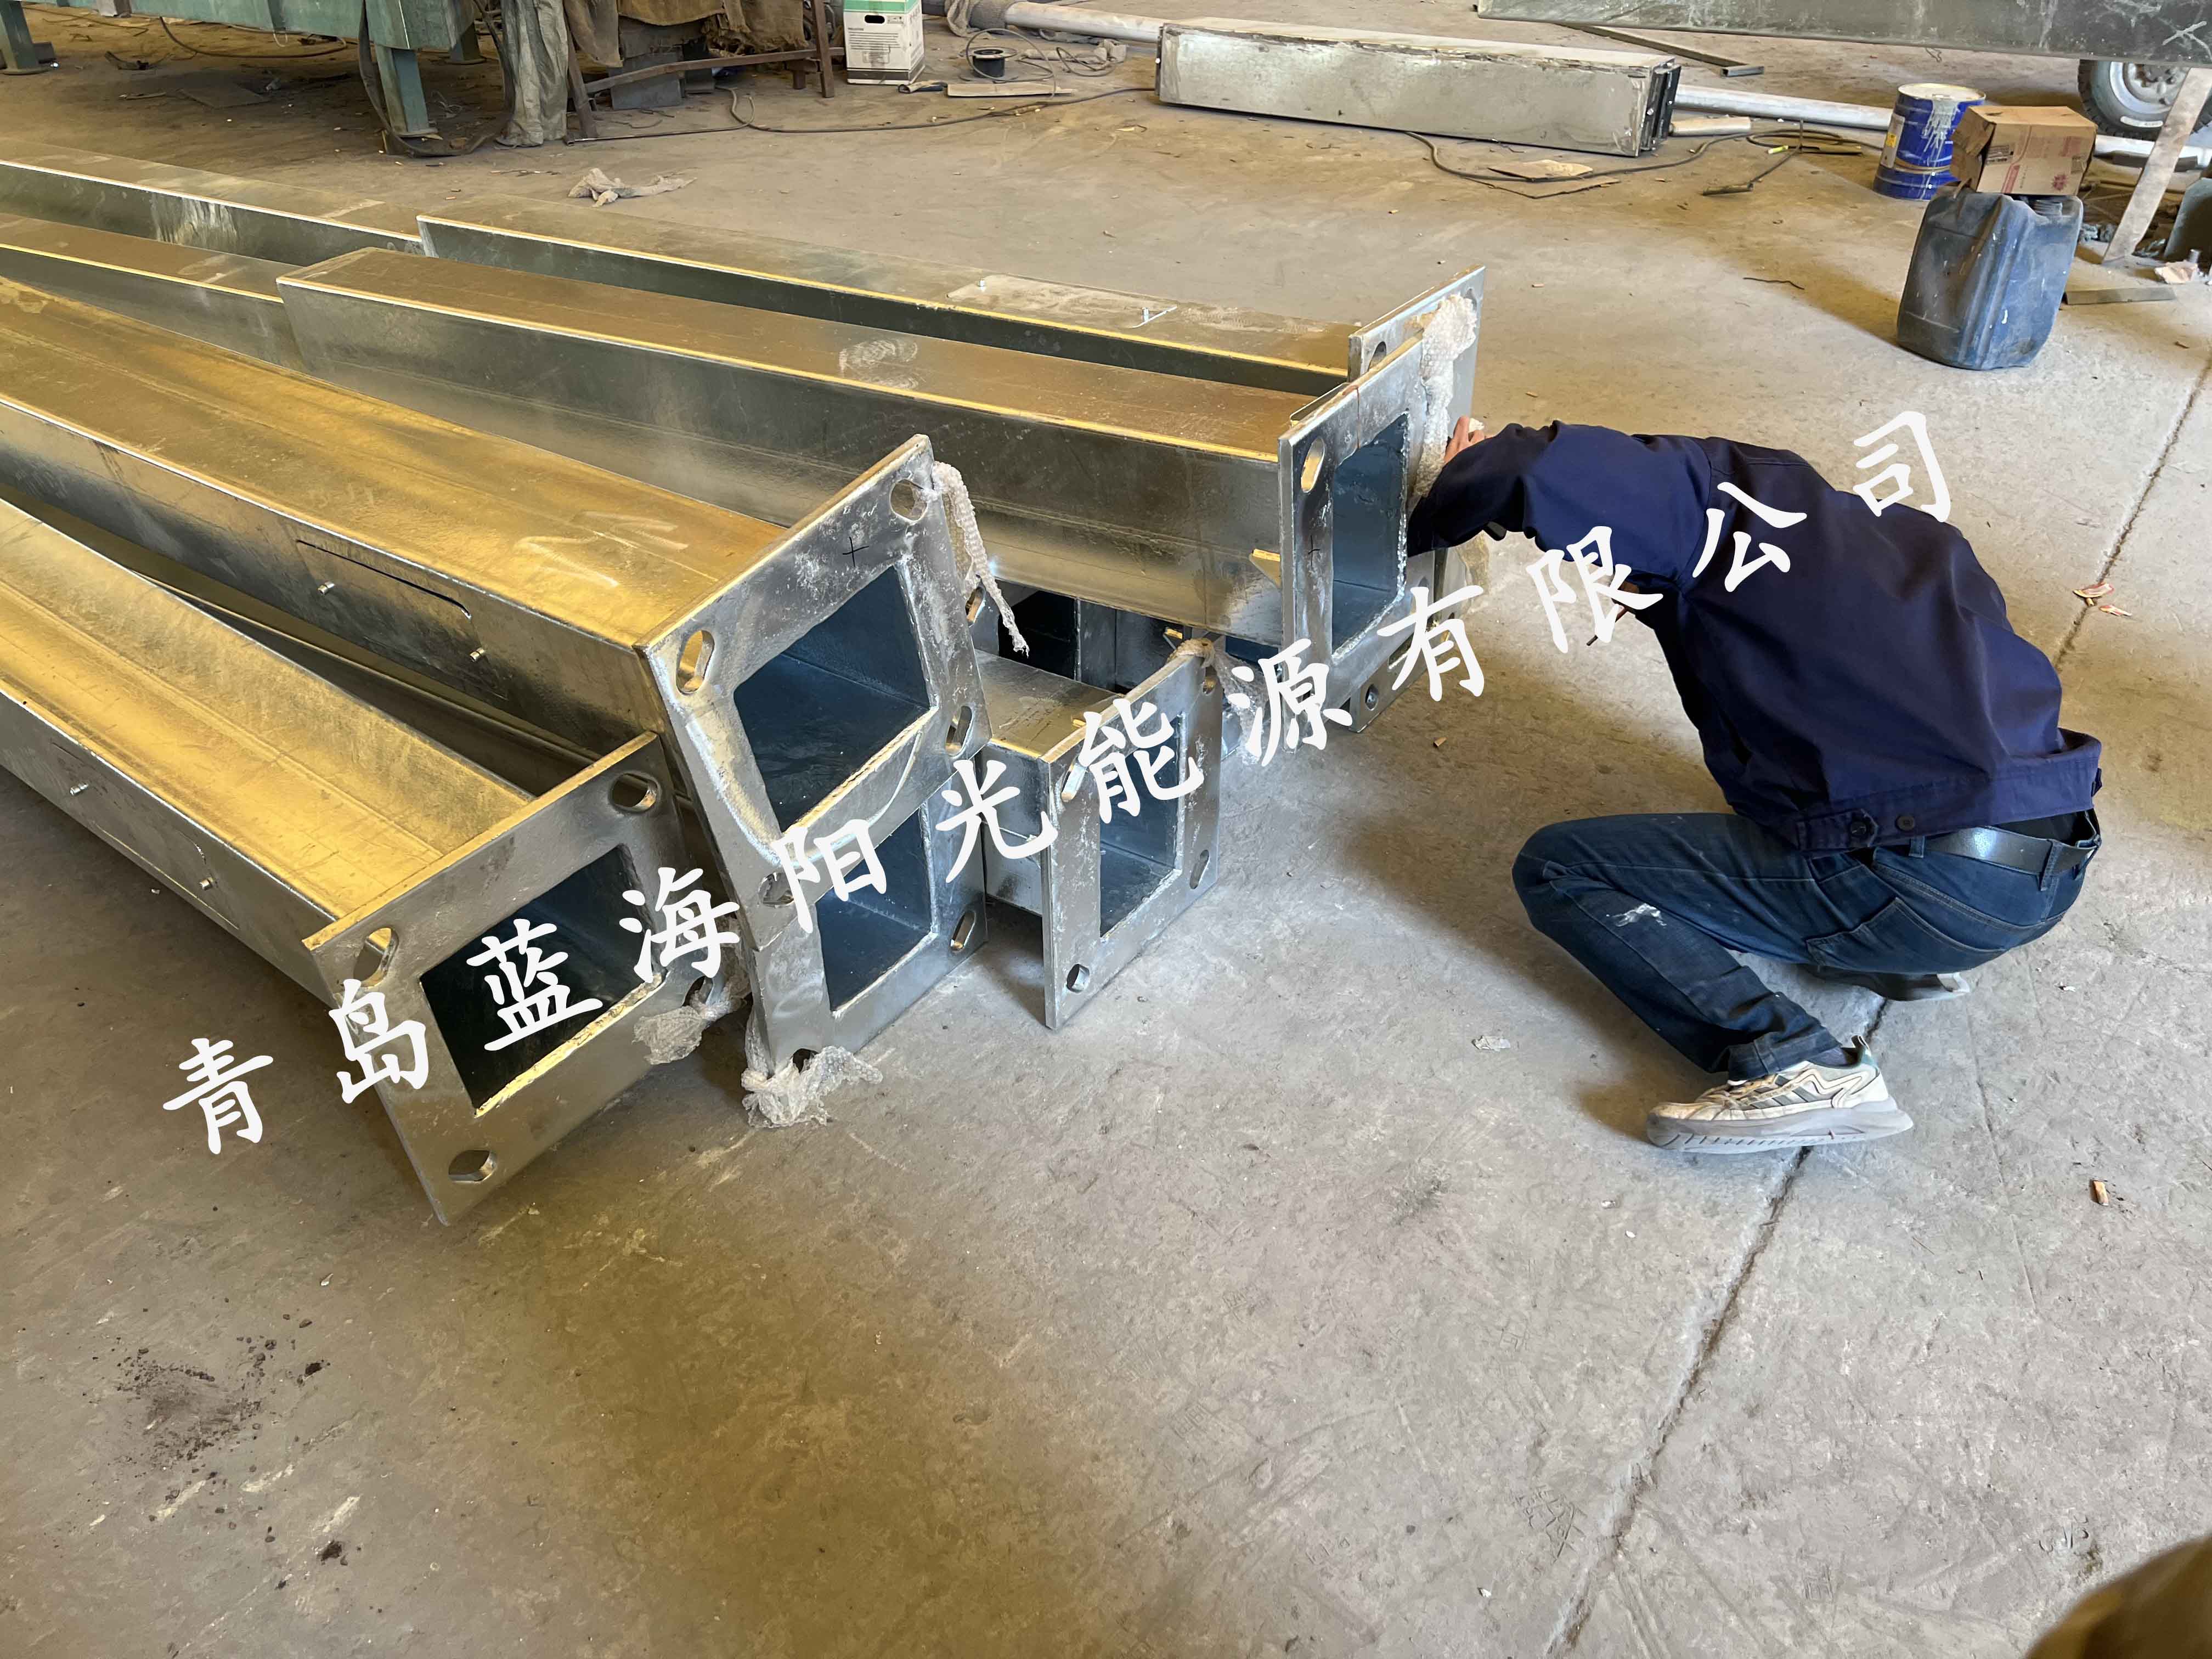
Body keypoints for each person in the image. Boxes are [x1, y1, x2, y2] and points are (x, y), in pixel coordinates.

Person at [1408, 419, 2101, 1154]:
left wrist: (1440, 503)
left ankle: (1791, 1057)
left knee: (1561, 867)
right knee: (1800, 790)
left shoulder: (1700, 503)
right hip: (2047, 871)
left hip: (1929, 886)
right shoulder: (1896, 542)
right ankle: (1891, 952)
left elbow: (1530, 467)